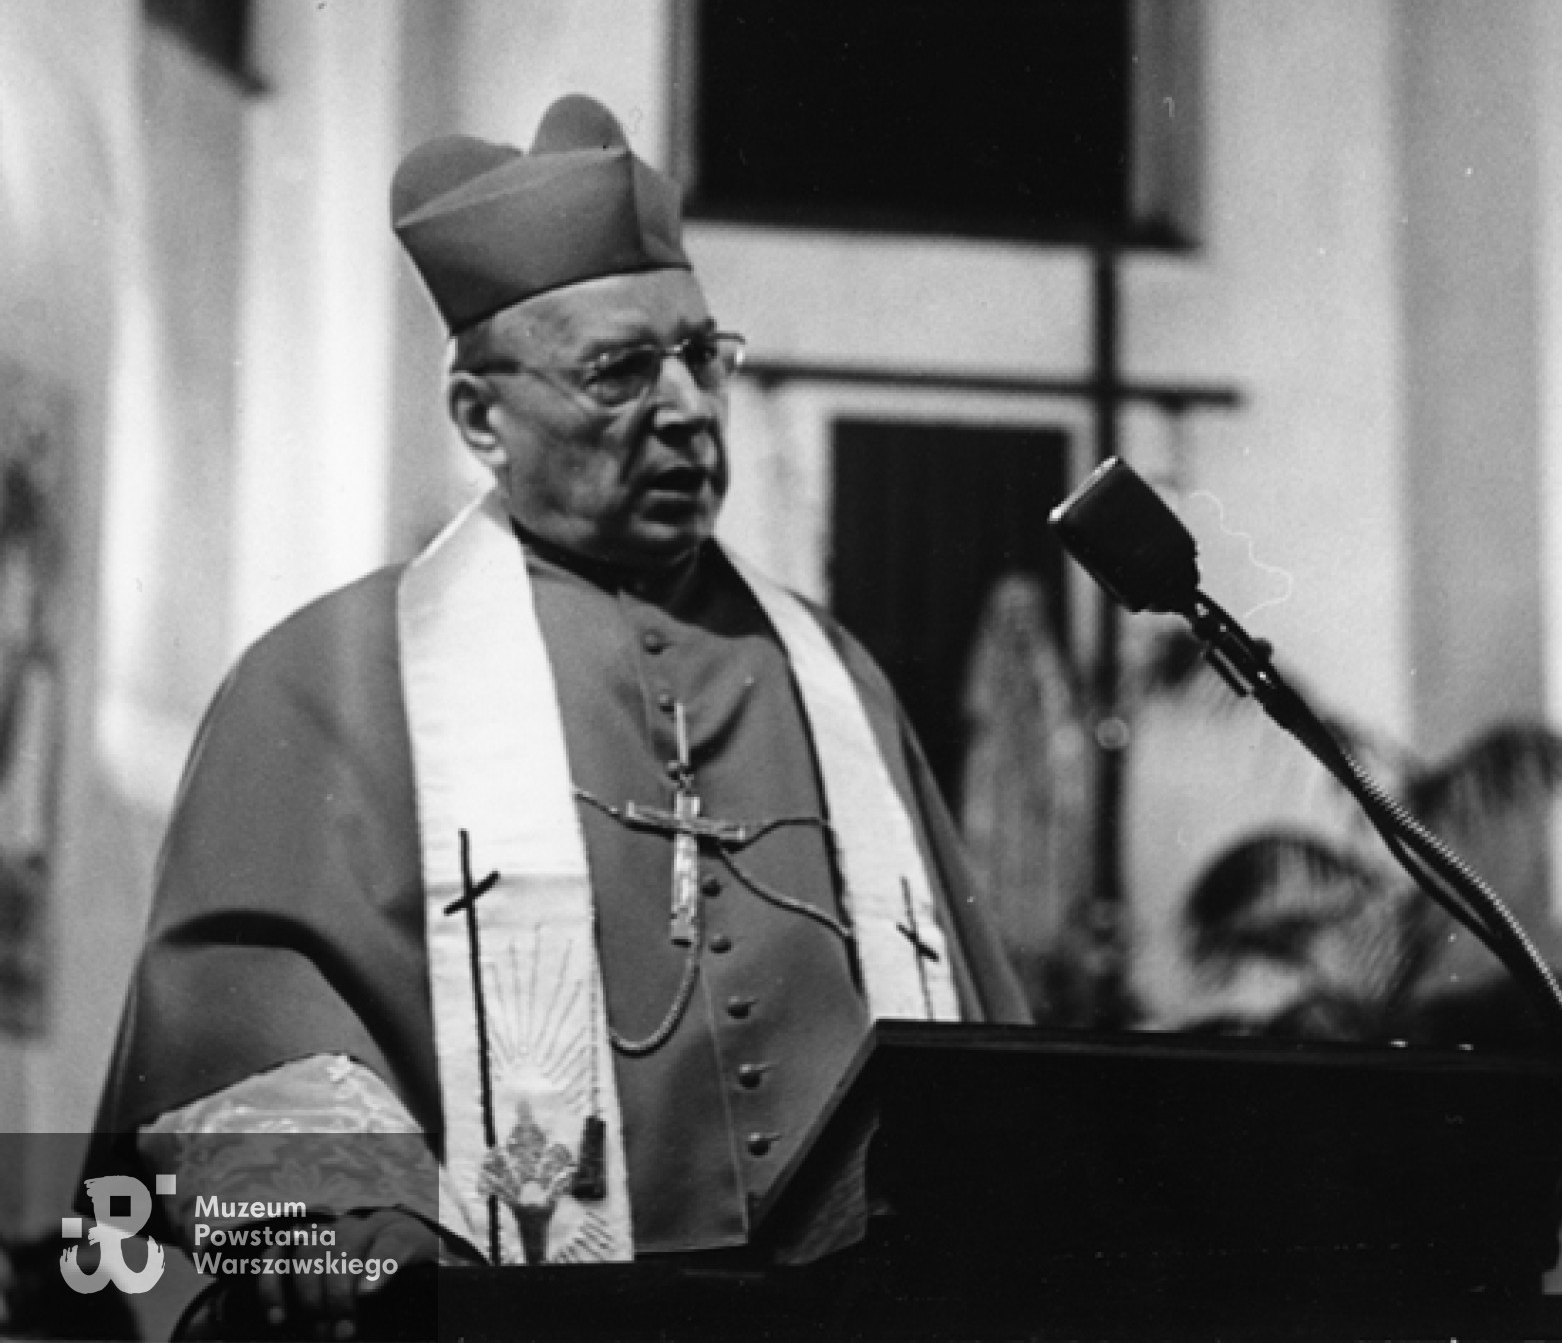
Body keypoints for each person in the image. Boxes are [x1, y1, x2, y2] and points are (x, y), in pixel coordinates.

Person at [91, 95, 1026, 1335]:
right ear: (482, 418)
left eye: (705, 356)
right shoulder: (332, 679)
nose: (689, 408)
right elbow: (231, 1027)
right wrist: (361, 1238)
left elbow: (984, 1066)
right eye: (621, 372)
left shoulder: (833, 676)